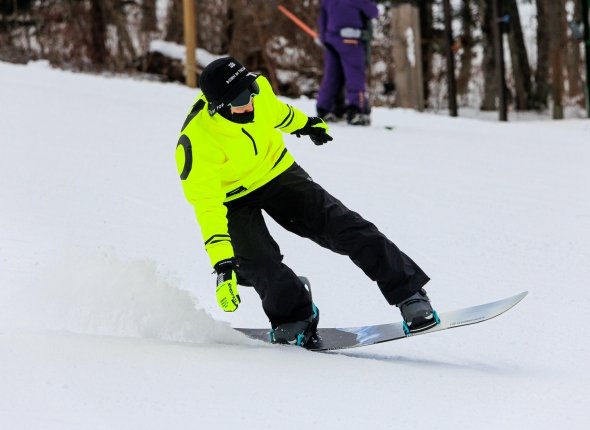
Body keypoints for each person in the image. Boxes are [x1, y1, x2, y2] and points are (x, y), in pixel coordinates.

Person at [175, 57, 437, 346]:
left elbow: (278, 113)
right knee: (260, 264)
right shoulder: (196, 143)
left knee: (341, 225)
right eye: (239, 100)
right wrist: (223, 267)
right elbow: (208, 208)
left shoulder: (258, 94)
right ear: (218, 107)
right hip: (231, 199)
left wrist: (306, 125)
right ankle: (294, 315)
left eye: (250, 91)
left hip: (277, 172)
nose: (249, 102)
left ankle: (409, 293)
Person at [316, 0, 378, 126]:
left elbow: (322, 19)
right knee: (355, 76)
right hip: (351, 41)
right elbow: (373, 12)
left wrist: (324, 39)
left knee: (332, 76)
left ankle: (324, 108)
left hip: (331, 41)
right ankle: (357, 110)